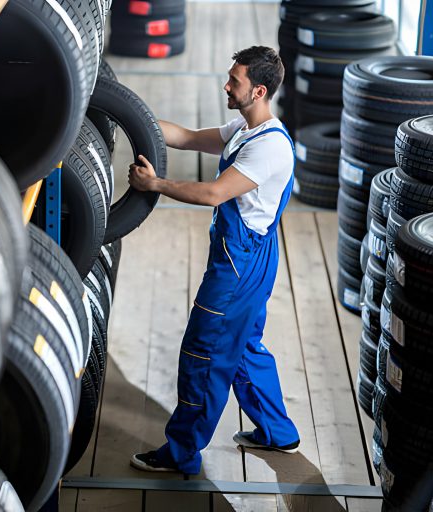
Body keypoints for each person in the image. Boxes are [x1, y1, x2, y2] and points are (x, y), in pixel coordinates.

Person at [127, 46, 300, 475]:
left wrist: (156, 184)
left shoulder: (270, 148)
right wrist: (129, 116)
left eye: (235, 81)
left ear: (258, 91)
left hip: (239, 265)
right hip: (248, 257)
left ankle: (182, 452)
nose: (227, 84)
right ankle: (279, 433)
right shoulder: (244, 128)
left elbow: (212, 194)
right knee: (242, 347)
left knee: (204, 353)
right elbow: (184, 136)